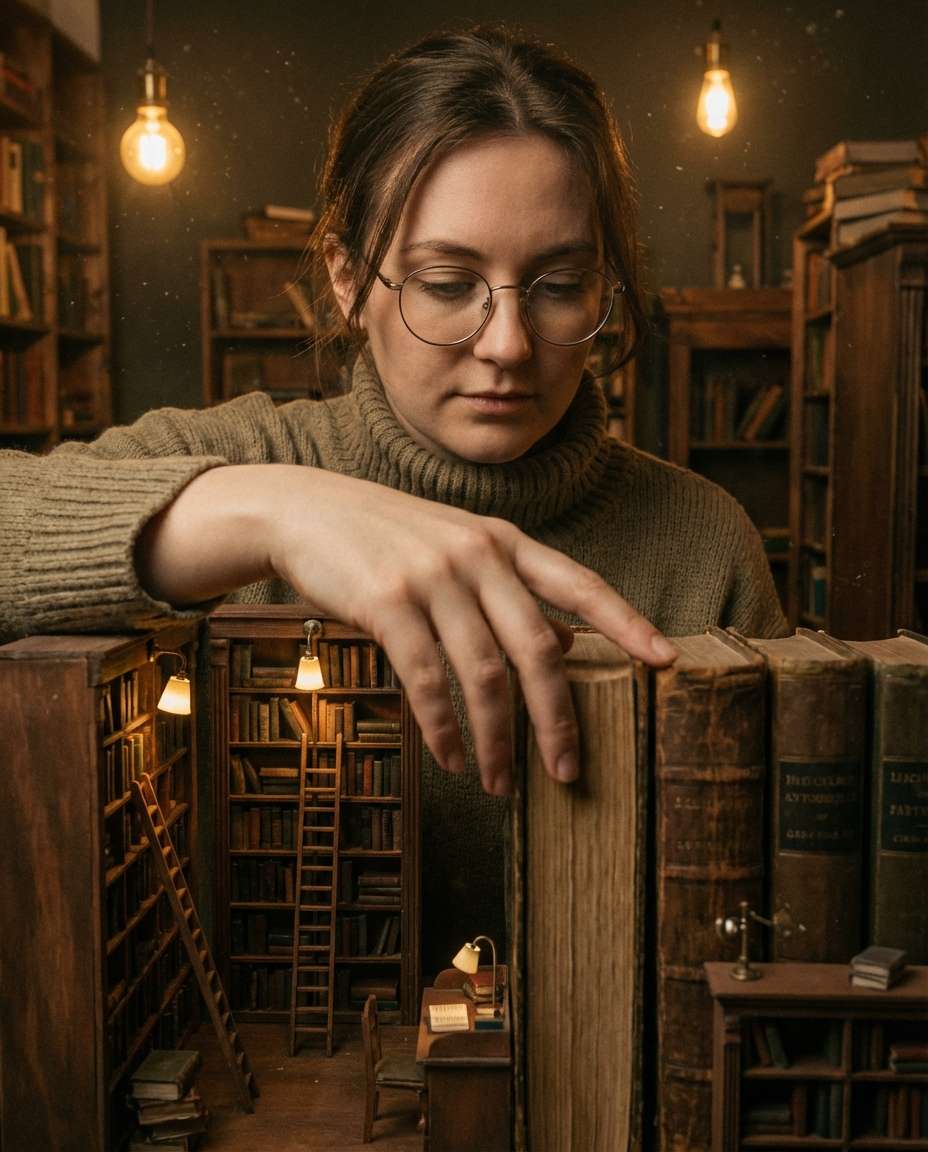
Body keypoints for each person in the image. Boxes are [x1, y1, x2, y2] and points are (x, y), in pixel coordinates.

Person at [0, 25, 785, 973]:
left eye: (560, 285)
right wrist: (277, 514)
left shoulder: (707, 543)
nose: (507, 345)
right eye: (446, 284)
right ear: (346, 281)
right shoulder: (249, 459)